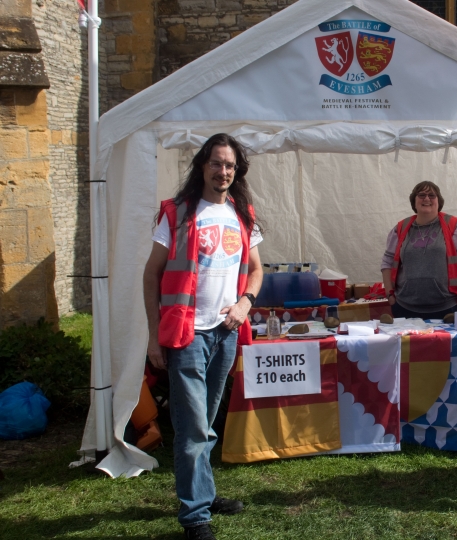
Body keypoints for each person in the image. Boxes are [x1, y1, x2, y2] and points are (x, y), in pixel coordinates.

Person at [143, 133, 263, 540]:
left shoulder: (243, 213)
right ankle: (195, 516)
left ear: (236, 171)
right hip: (187, 334)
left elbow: (257, 269)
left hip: (226, 332)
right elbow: (151, 275)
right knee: (193, 426)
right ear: (202, 166)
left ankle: (202, 493)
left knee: (206, 424)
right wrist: (150, 336)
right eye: (216, 163)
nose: (223, 171)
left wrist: (245, 302)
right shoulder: (176, 213)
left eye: (230, 165)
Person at [381, 181, 457, 320]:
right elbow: (387, 262)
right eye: (421, 195)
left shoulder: (454, 225)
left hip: (447, 309)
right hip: (404, 308)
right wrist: (390, 295)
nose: (426, 199)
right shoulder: (400, 228)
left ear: (439, 201)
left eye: (432, 195)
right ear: (414, 202)